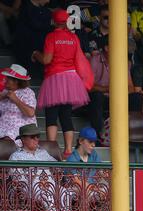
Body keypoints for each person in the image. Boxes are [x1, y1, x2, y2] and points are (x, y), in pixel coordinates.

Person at [32, 9, 90, 159]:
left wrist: (35, 54)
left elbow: (46, 60)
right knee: (66, 115)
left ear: (53, 21)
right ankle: (69, 150)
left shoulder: (51, 37)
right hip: (71, 79)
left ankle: (51, 148)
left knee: (51, 114)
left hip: (54, 78)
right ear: (66, 21)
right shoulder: (73, 37)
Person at [8, 123, 63, 211]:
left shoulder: (43, 152)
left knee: (65, 192)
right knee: (44, 193)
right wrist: (36, 180)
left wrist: (56, 172)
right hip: (30, 187)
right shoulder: (16, 157)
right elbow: (18, 180)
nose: (36, 139)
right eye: (32, 137)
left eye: (37, 136)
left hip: (49, 184)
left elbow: (57, 166)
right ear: (23, 139)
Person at [12, 0, 52, 76]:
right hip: (25, 47)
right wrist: (51, 22)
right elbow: (35, 24)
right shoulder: (25, 8)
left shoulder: (44, 10)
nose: (48, 1)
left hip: (38, 47)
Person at [0, 64, 37, 145]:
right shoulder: (4, 92)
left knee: (6, 141)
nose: (5, 80)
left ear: (16, 81)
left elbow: (30, 113)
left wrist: (16, 99)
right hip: (3, 130)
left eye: (8, 79)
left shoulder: (27, 92)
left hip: (20, 131)